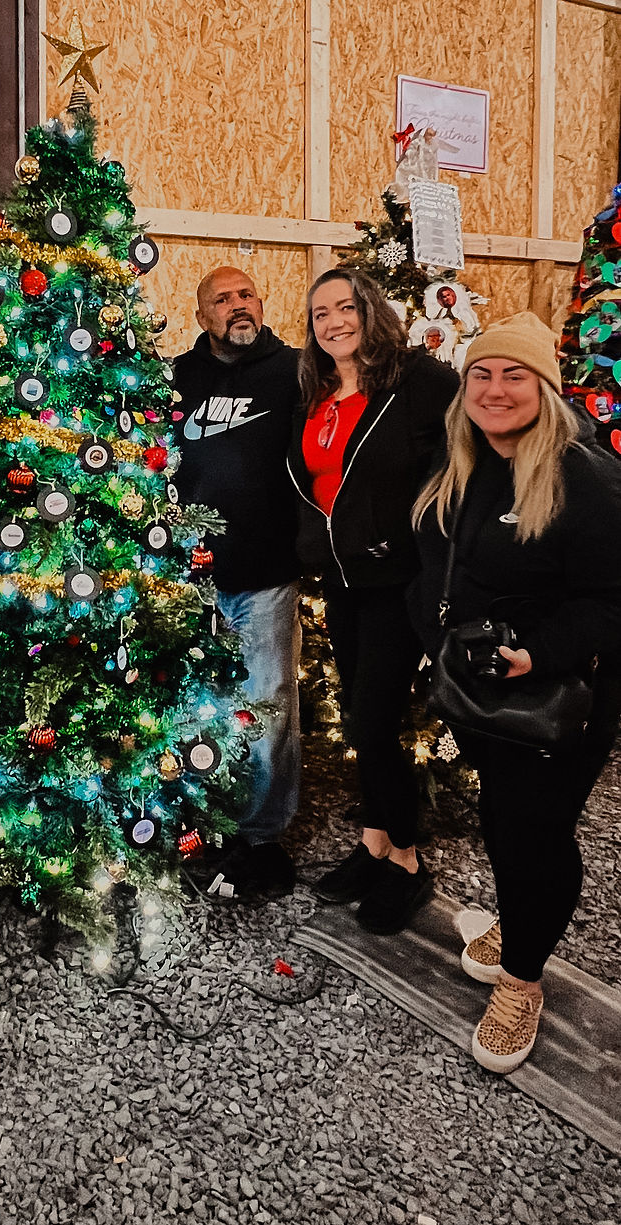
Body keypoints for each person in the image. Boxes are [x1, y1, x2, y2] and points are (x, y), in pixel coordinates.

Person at [409, 311, 621, 1072]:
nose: (495, 389)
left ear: (547, 388)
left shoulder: (587, 480)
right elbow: (432, 570)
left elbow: (610, 603)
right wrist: (442, 644)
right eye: (482, 374)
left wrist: (537, 652)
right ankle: (515, 921)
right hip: (483, 693)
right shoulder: (461, 463)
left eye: (516, 374)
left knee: (542, 838)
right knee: (503, 821)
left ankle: (524, 979)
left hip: (559, 699)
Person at [287, 268, 459, 933]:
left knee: (373, 720)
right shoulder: (319, 393)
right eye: (320, 312)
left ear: (369, 311)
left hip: (399, 583)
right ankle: (375, 843)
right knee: (361, 711)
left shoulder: (418, 383)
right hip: (343, 581)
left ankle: (409, 863)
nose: (332, 321)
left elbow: (463, 464)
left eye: (344, 307)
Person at [172, 266, 302, 897]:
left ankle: (259, 836)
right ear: (203, 318)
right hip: (187, 579)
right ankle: (203, 819)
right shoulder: (178, 377)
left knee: (267, 708)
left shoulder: (298, 372)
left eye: (246, 294)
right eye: (221, 300)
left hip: (265, 577)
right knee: (194, 709)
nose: (237, 306)